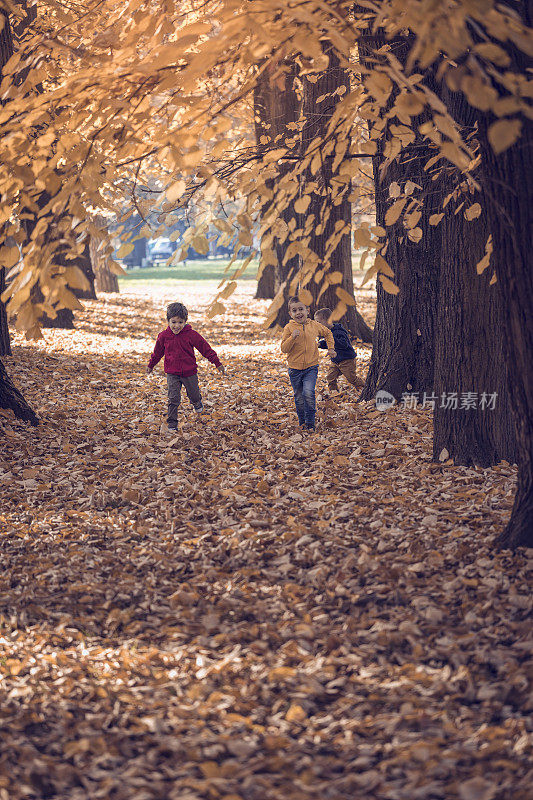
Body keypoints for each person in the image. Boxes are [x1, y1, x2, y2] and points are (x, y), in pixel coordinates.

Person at [147, 302, 225, 430]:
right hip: (172, 373)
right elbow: (157, 353)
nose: (176, 326)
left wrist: (217, 363)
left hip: (189, 373)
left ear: (185, 322)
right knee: (173, 398)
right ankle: (172, 423)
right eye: (173, 322)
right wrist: (151, 365)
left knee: (193, 394)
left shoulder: (191, 335)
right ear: (168, 321)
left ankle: (196, 401)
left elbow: (205, 349)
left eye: (180, 322)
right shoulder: (163, 336)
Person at [280, 296, 336, 431]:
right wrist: (292, 338)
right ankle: (302, 422)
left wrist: (331, 348)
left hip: (311, 367)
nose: (298, 313)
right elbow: (284, 349)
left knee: (309, 393)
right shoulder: (289, 328)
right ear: (290, 314)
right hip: (294, 369)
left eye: (301, 309)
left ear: (308, 310)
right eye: (294, 310)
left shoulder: (314, 325)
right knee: (299, 397)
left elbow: (328, 333)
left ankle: (310, 423)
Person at [314, 307, 365, 393]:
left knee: (352, 379)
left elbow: (343, 344)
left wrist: (330, 341)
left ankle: (364, 387)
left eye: (319, 322)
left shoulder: (339, 331)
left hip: (346, 360)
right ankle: (334, 392)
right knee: (330, 377)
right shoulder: (327, 332)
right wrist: (319, 344)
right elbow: (327, 342)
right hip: (336, 361)